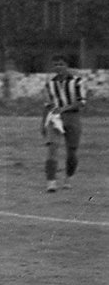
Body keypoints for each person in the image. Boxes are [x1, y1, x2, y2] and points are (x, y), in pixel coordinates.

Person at [43, 57, 87, 192]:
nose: (58, 67)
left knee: (72, 151)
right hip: (55, 117)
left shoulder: (77, 81)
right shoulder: (50, 83)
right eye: (55, 64)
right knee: (52, 148)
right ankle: (51, 182)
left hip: (72, 116)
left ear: (67, 65)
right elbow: (47, 104)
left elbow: (81, 102)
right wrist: (43, 122)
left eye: (61, 64)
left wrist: (63, 108)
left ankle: (68, 178)